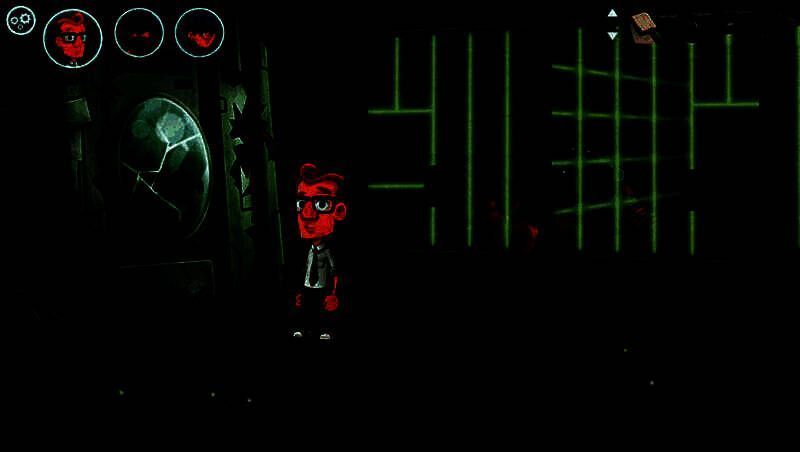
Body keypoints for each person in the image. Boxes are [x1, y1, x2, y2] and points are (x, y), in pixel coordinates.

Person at [291, 163, 347, 342]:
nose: (307, 214)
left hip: (322, 286)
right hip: (308, 286)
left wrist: (334, 292)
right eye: (301, 203)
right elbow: (303, 269)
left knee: (324, 309)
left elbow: (335, 271)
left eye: (321, 204)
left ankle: (325, 330)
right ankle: (305, 329)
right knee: (306, 308)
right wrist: (299, 289)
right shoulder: (305, 251)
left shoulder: (329, 251)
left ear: (339, 211)